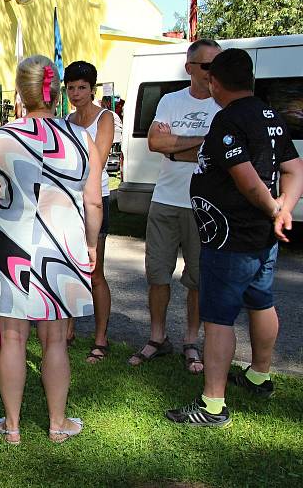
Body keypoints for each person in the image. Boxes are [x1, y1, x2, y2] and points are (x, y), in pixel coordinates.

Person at [165, 48, 303, 427]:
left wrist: (276, 209)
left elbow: (245, 178)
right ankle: (259, 375)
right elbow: (293, 169)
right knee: (261, 302)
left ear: (215, 82)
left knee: (219, 319)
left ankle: (213, 404)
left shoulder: (229, 119)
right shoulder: (270, 114)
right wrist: (284, 207)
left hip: (232, 236)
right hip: (261, 236)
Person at [0, 55, 103, 444]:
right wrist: (92, 244)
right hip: (63, 248)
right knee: (55, 340)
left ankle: (12, 427)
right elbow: (93, 203)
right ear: (57, 91)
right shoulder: (82, 139)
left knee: (12, 337)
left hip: (10, 244)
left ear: (20, 91)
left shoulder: (2, 137)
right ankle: (57, 423)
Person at [128, 39, 222, 374]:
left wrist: (175, 147)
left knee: (197, 280)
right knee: (158, 275)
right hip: (166, 201)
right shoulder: (171, 100)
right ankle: (157, 338)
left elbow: (221, 153)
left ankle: (191, 342)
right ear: (190, 68)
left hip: (205, 205)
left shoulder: (224, 104)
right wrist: (202, 142)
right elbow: (155, 142)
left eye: (219, 64)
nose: (215, 72)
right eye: (208, 66)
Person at [62, 61, 114, 364]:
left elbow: (99, 160)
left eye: (82, 87)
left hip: (96, 198)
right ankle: (67, 329)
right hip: (70, 199)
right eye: (71, 87)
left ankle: (100, 338)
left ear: (92, 89)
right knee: (70, 267)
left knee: (95, 272)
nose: (76, 93)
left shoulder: (105, 117)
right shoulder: (68, 118)